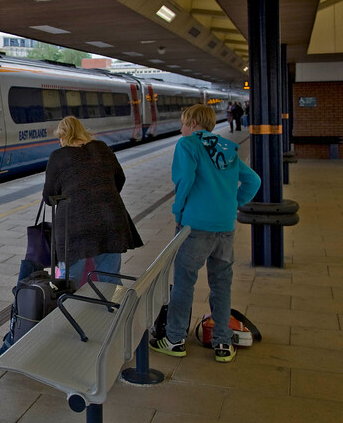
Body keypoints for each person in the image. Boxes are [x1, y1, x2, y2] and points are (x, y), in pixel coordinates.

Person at [150, 104, 260, 363]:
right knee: (221, 284)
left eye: (184, 123)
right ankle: (222, 342)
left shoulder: (187, 145)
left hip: (195, 227)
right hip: (225, 227)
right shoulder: (226, 148)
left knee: (184, 284)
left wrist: (179, 211)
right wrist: (233, 203)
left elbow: (185, 180)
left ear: (193, 123)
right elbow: (253, 180)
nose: (181, 128)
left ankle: (175, 339)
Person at [42, 116, 143, 285]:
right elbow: (120, 179)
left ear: (63, 137)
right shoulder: (102, 148)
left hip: (74, 227)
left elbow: (49, 197)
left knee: (68, 279)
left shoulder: (58, 156)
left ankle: (68, 310)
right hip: (111, 221)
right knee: (110, 277)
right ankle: (112, 310)